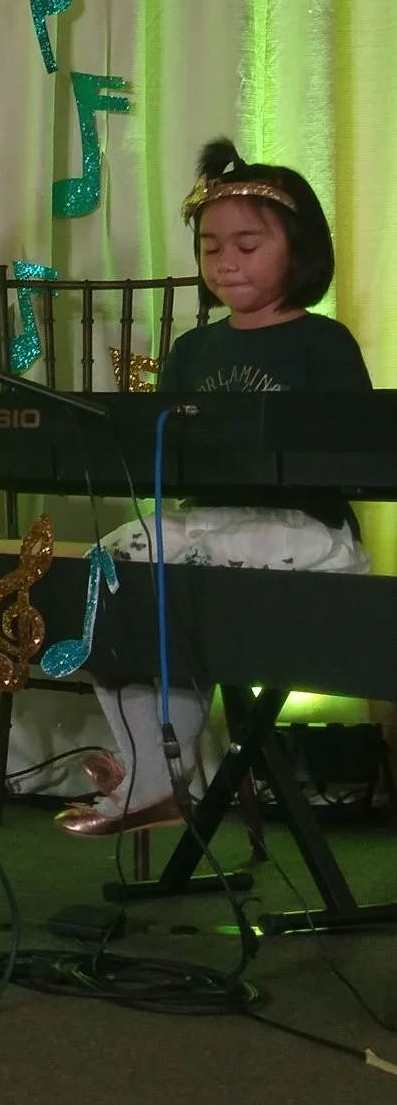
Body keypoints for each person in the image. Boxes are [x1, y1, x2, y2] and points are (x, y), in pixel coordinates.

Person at [60, 138, 374, 836]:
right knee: (108, 575)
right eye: (210, 247)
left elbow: (360, 449)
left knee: (191, 580)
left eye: (247, 244)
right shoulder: (193, 350)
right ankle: (153, 769)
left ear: (299, 250)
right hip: (210, 523)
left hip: (304, 534)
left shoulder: (322, 343)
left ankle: (157, 774)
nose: (226, 261)